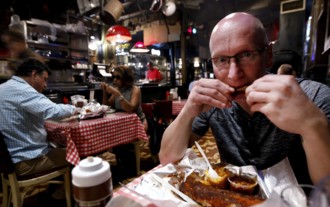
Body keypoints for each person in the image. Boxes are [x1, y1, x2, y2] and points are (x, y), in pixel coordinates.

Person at [159, 12, 330, 185]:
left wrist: (313, 125)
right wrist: (188, 111)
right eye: (222, 60)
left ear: (269, 55)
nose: (234, 75)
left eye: (247, 55)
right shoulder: (214, 103)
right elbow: (167, 158)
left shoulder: (313, 97)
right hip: (237, 203)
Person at [0, 58, 79, 178]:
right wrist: (75, 108)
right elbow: (54, 111)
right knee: (78, 152)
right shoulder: (23, 90)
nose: (45, 85)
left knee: (58, 146)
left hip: (7, 161)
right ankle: (61, 193)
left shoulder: (3, 87)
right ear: (34, 74)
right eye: (45, 79)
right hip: (28, 160)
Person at [101, 65, 147, 131]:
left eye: (118, 77)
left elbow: (131, 109)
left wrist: (117, 94)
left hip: (138, 124)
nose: (114, 80)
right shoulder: (118, 89)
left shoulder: (135, 90)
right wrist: (104, 91)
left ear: (125, 77)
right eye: (113, 77)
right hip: (123, 124)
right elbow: (106, 107)